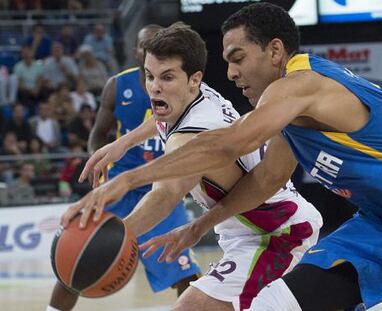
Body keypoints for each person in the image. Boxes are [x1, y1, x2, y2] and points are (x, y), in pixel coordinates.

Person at [63, 3, 382, 311]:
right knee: (280, 303)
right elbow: (267, 178)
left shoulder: (299, 86)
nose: (231, 73)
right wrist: (199, 224)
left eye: (238, 58)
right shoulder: (286, 113)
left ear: (275, 51)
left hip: (335, 225)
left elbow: (227, 144)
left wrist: (127, 178)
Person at [65, 22, 322, 311]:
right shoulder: (194, 94)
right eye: (150, 76)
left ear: (193, 78)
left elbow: (166, 193)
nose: (155, 87)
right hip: (251, 230)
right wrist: (123, 143)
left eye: (167, 77)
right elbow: (162, 120)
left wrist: (116, 237)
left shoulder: (193, 136)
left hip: (277, 234)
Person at [46, 24, 201, 311]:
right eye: (145, 46)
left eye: (157, 45)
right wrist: (97, 160)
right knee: (76, 259)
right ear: (136, 51)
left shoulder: (183, 88)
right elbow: (98, 132)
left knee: (185, 272)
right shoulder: (118, 85)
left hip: (162, 188)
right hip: (117, 185)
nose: (151, 51)